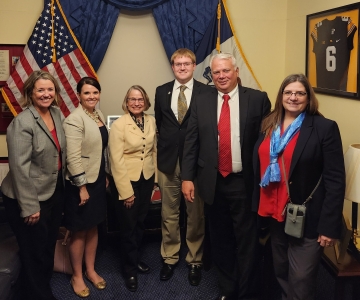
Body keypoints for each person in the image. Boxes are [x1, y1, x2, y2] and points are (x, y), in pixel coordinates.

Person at [182, 52, 271, 300]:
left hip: (245, 182)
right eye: (217, 72)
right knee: (220, 239)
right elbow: (192, 140)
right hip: (212, 183)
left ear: (236, 72)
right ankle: (228, 290)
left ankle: (248, 292)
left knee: (247, 241)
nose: (221, 76)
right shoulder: (201, 99)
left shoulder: (257, 99)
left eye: (226, 71)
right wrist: (187, 177)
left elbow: (267, 144)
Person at [252, 74, 345, 300]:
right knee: (281, 271)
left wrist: (329, 226)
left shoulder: (324, 128)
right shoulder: (268, 124)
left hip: (307, 218)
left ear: (308, 97)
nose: (293, 97)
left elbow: (335, 179)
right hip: (274, 215)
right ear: (281, 96)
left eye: (300, 93)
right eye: (288, 92)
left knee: (302, 278)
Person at [1, 70, 66, 300]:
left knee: (48, 245)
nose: (46, 94)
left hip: (52, 190)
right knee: (34, 252)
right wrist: (29, 207)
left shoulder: (57, 114)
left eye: (50, 89)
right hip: (27, 196)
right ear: (30, 92)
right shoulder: (22, 122)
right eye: (41, 90)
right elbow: (19, 168)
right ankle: (38, 295)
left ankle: (40, 285)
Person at [155, 48, 206, 285]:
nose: (182, 67)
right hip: (167, 163)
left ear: (194, 66)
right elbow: (161, 123)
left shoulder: (207, 92)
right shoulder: (161, 91)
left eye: (187, 63)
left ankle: (194, 259)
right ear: (173, 66)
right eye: (178, 64)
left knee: (195, 215)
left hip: (195, 164)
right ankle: (170, 257)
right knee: (169, 213)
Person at [109, 85, 157, 292]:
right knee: (128, 226)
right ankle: (129, 269)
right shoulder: (120, 125)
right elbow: (115, 159)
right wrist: (125, 191)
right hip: (127, 180)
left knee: (140, 221)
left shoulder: (151, 120)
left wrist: (154, 177)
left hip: (146, 177)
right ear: (126, 102)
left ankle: (135, 258)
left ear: (145, 101)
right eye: (132, 99)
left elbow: (153, 150)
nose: (136, 103)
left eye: (140, 99)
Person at [63, 77, 108, 298]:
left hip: (97, 180)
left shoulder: (97, 115)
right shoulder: (74, 119)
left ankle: (90, 270)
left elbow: (99, 150)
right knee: (79, 230)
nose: (92, 97)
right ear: (79, 95)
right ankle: (77, 275)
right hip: (80, 184)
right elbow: (72, 157)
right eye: (87, 93)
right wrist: (82, 187)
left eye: (95, 93)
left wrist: (104, 175)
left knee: (93, 226)